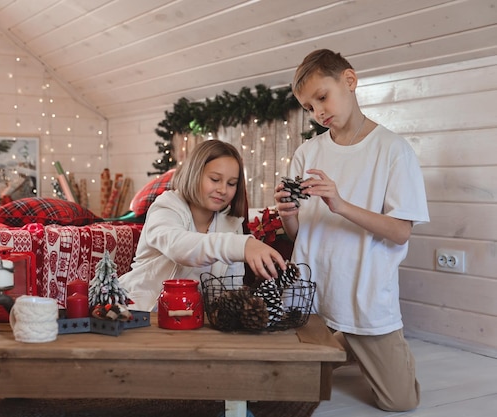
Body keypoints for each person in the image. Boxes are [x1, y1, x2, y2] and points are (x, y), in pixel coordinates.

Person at [274, 49, 429, 412]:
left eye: (322, 98)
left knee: (399, 402)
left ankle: (350, 343)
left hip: (365, 293)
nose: (318, 113)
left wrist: (340, 204)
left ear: (349, 80)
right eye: (309, 108)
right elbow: (299, 235)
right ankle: (339, 343)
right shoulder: (307, 152)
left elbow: (400, 232)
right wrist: (288, 214)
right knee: (285, 386)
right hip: (311, 290)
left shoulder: (393, 151)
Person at [119, 140, 286, 312]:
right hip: (140, 314)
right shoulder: (166, 207)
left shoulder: (230, 223)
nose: (222, 189)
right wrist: (243, 245)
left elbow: (230, 288)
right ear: (194, 174)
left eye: (231, 183)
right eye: (215, 179)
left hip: (192, 322)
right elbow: (179, 247)